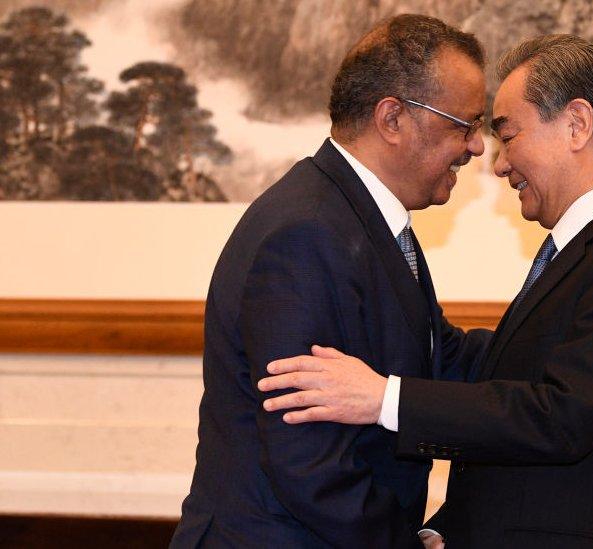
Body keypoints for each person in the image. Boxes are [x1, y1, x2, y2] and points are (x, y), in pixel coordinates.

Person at [260, 34, 593, 548]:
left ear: (576, 124)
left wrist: (384, 399)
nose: (496, 164)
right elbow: (506, 399)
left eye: (508, 135)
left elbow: (560, 417)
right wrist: (444, 528)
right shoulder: (579, 254)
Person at [170, 14, 493, 548]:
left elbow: (441, 357)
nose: (477, 147)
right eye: (465, 124)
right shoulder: (307, 233)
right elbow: (307, 458)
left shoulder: (358, 220)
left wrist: (567, 345)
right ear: (392, 118)